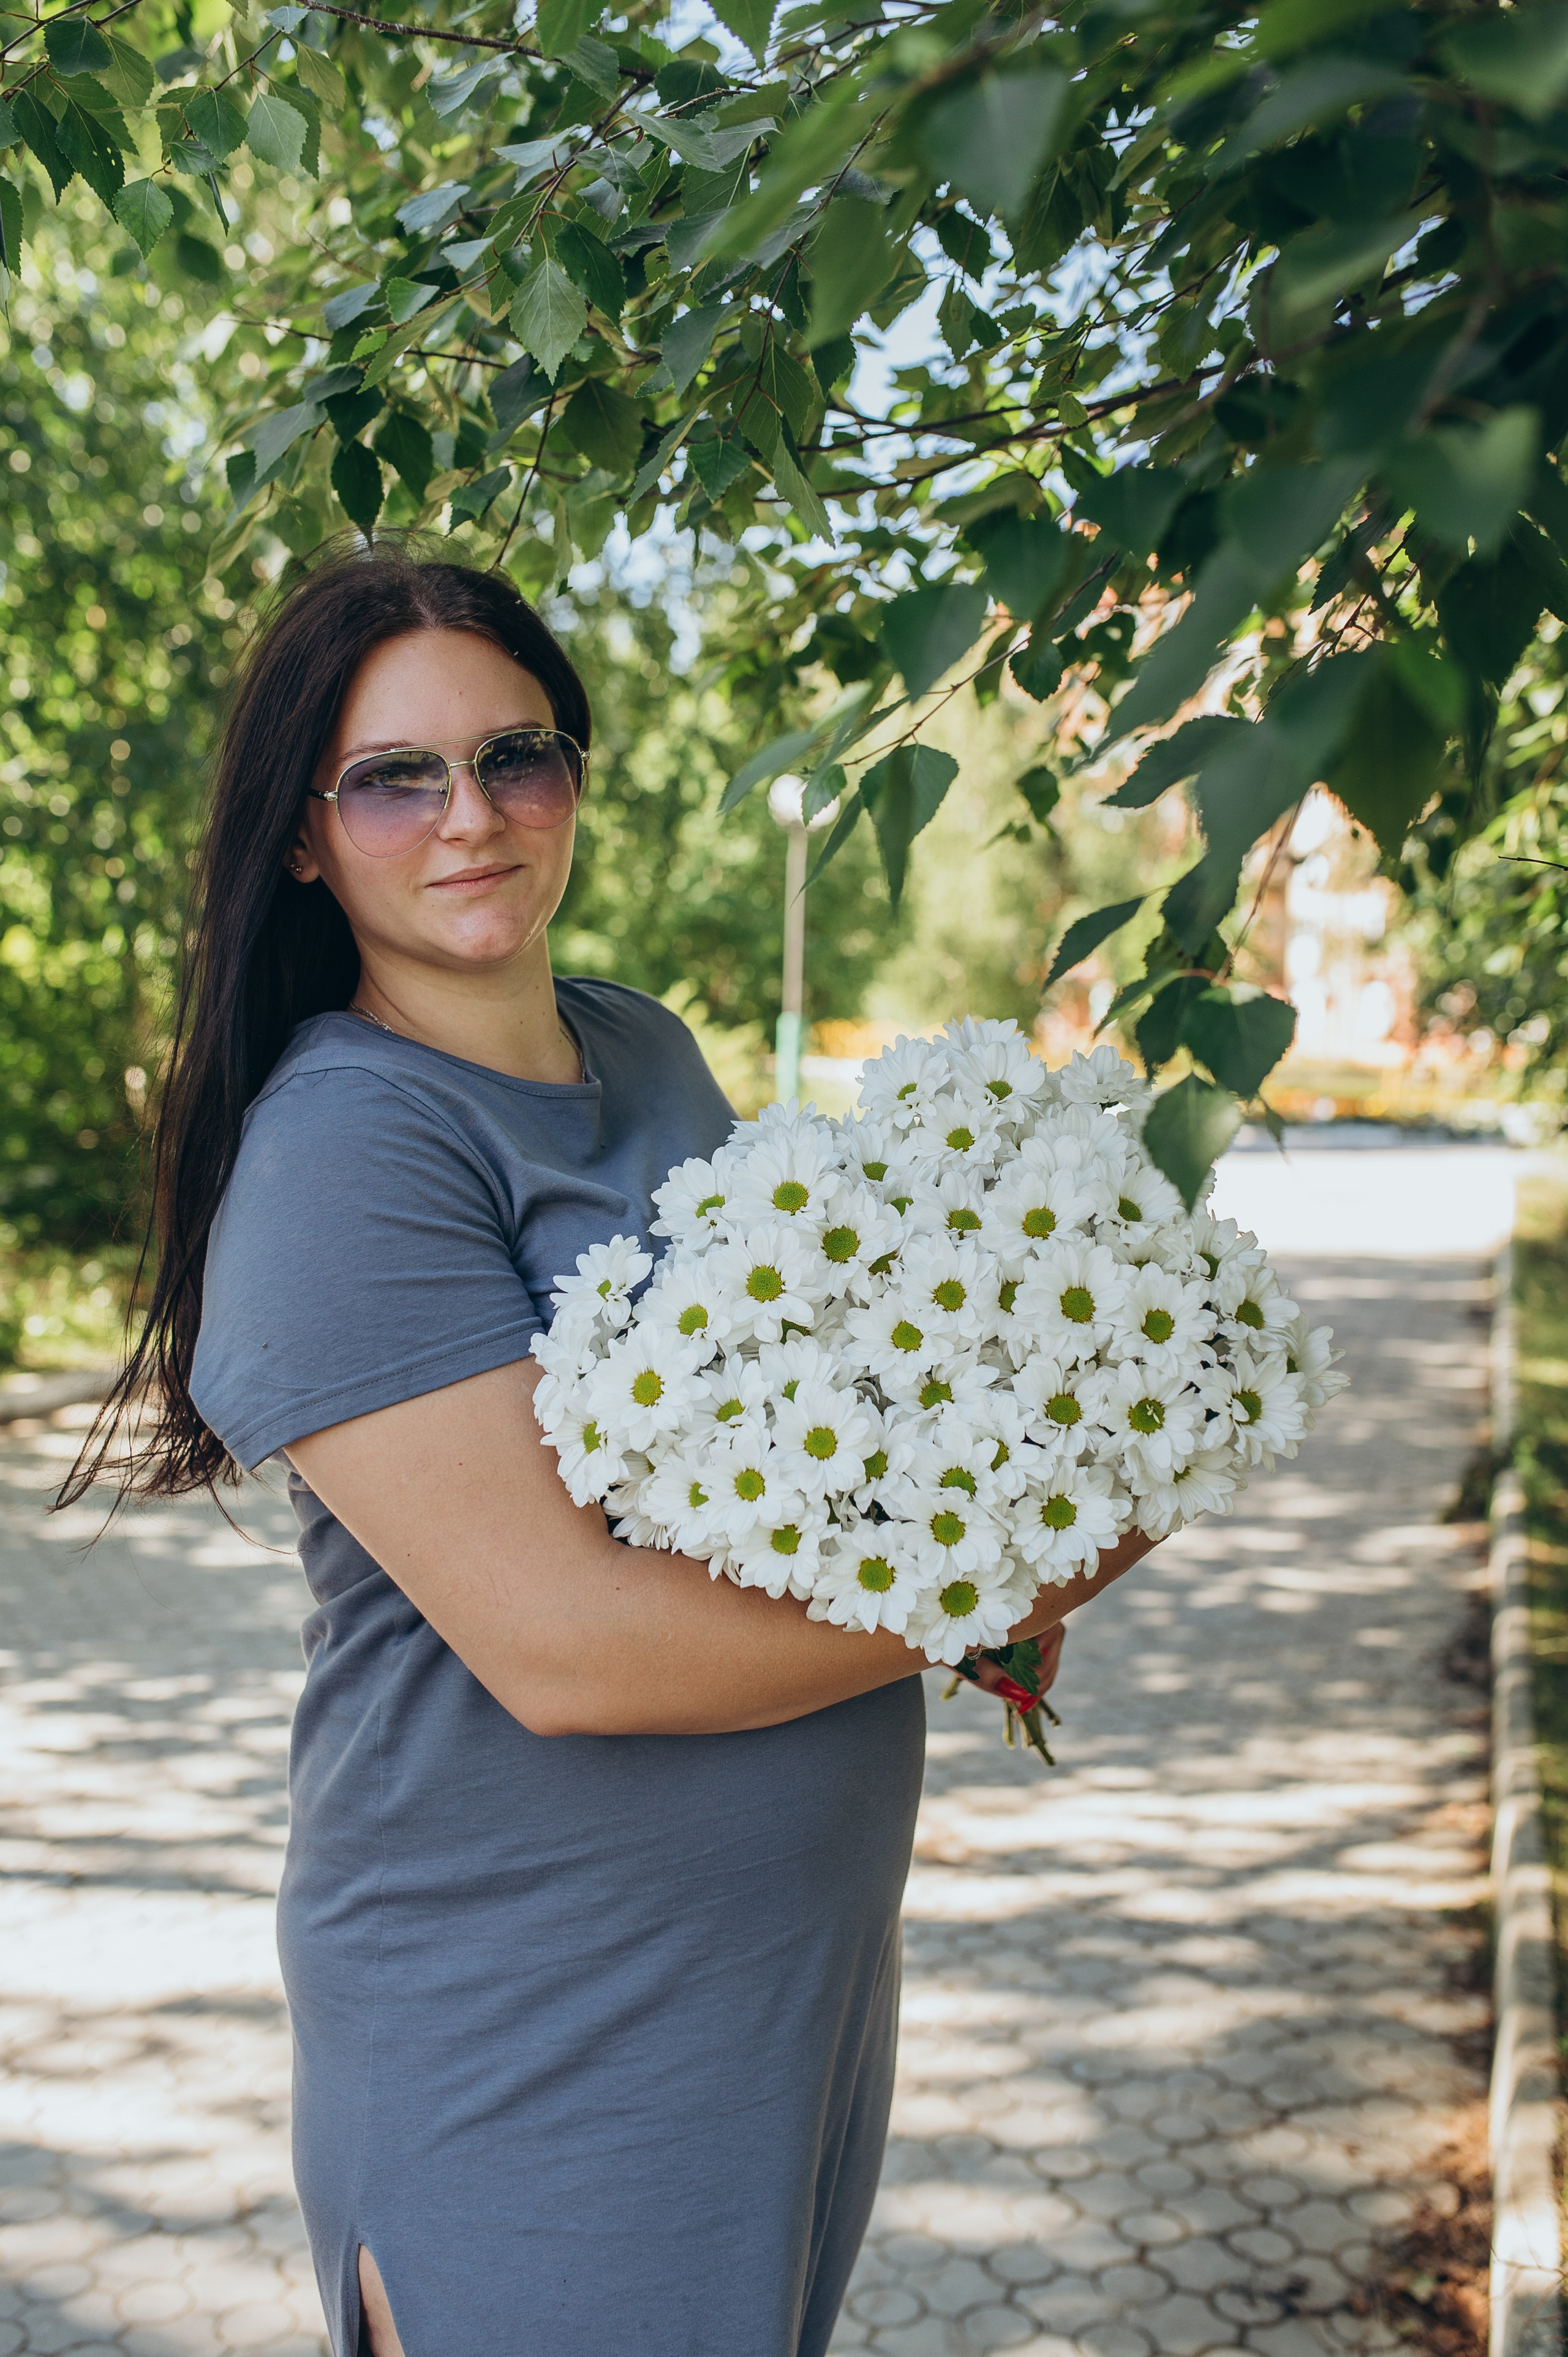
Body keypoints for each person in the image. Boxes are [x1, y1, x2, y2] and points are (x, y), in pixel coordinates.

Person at [64, 541, 1156, 2357]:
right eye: (394, 777)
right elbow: (566, 1650)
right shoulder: (349, 1151)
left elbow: (772, 1441)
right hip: (535, 2005)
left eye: (517, 755)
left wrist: (996, 1438)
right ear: (301, 837)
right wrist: (992, 1579)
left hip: (779, 1981)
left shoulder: (642, 1053)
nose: (470, 815)